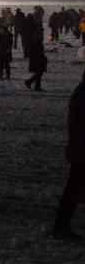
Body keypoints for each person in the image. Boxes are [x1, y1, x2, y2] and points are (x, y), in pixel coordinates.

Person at [52, 69, 85, 239]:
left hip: (79, 147)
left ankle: (61, 224)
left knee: (74, 187)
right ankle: (61, 225)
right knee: (73, 188)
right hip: (81, 148)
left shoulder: (80, 92)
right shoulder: (82, 95)